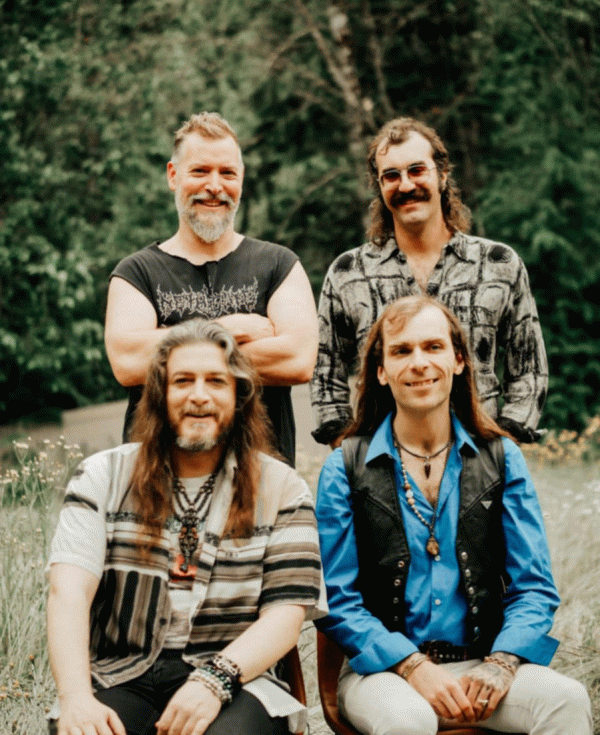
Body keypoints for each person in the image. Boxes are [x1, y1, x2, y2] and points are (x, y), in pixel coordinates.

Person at [315, 296, 591, 734]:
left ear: (459, 360)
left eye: (433, 347)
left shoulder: (502, 458)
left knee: (566, 699)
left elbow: (534, 588)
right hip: (382, 675)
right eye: (402, 351)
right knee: (408, 719)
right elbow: (337, 600)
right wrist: (411, 665)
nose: (419, 363)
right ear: (381, 371)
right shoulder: (344, 467)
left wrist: (502, 663)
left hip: (484, 663)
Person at [47, 319, 324, 735]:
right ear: (159, 395)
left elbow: (285, 615)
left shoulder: (282, 488)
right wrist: (75, 699)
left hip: (237, 676)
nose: (199, 395)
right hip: (118, 674)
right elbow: (68, 593)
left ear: (238, 396)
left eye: (216, 381)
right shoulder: (101, 476)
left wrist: (215, 680)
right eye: (182, 381)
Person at [310, 116, 547, 448]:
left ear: (443, 174)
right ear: (379, 185)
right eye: (391, 176)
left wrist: (503, 448)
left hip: (480, 459)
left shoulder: (497, 265)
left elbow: (529, 370)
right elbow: (325, 375)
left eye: (417, 170)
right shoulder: (348, 273)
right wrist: (350, 451)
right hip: (381, 464)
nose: (406, 185)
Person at [105, 112, 318, 465]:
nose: (215, 186)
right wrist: (230, 329)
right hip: (160, 481)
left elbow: (297, 360)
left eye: (227, 173)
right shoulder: (135, 273)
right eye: (200, 171)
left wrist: (171, 349)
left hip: (262, 481)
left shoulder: (280, 265)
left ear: (241, 179)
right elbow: (128, 363)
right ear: (173, 176)